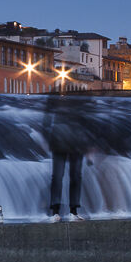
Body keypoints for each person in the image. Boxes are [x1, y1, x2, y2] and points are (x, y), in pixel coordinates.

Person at [43, 91, 94, 221]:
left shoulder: (59, 105)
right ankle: (66, 211)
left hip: (67, 142)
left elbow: (46, 122)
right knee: (68, 177)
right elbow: (87, 127)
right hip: (66, 143)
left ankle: (61, 211)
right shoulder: (78, 106)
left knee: (64, 176)